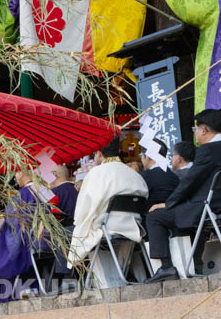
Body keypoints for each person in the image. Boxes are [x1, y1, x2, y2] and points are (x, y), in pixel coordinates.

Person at [147, 109, 221, 279]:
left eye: (195, 130)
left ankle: (167, 268)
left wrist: (169, 203)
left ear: (204, 130)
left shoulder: (207, 150)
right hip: (214, 205)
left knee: (155, 216)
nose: (195, 134)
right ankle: (196, 263)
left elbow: (189, 182)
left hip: (206, 208)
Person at [68, 137, 148, 269]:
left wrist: (80, 221)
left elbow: (84, 206)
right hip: (134, 224)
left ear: (99, 152)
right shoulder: (135, 175)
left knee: (76, 230)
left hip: (108, 226)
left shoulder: (96, 173)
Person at [0, 171, 56, 302]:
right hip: (51, 242)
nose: (15, 178)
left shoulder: (22, 195)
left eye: (15, 174)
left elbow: (12, 226)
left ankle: (17, 290)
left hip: (29, 243)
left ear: (21, 173)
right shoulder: (46, 191)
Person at [141, 138, 180, 207]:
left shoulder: (144, 177)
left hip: (149, 215)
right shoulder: (175, 177)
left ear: (148, 156)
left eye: (141, 155)